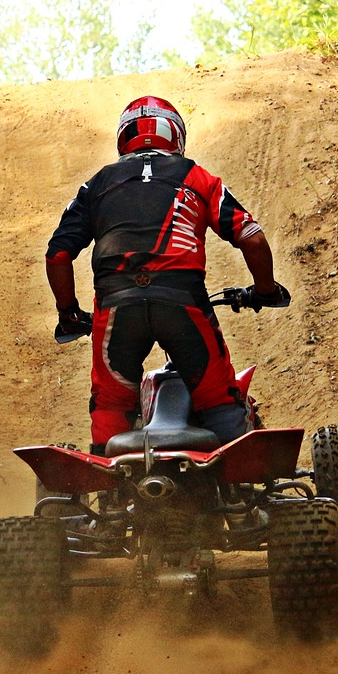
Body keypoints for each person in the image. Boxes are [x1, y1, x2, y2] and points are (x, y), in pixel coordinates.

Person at [44, 95, 290, 455]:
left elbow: (58, 255)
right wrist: (265, 291)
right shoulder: (196, 177)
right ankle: (238, 492)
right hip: (182, 304)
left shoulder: (96, 186)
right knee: (219, 399)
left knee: (111, 404)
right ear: (175, 136)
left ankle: (108, 488)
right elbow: (252, 238)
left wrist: (68, 314)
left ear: (123, 138)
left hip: (115, 307)